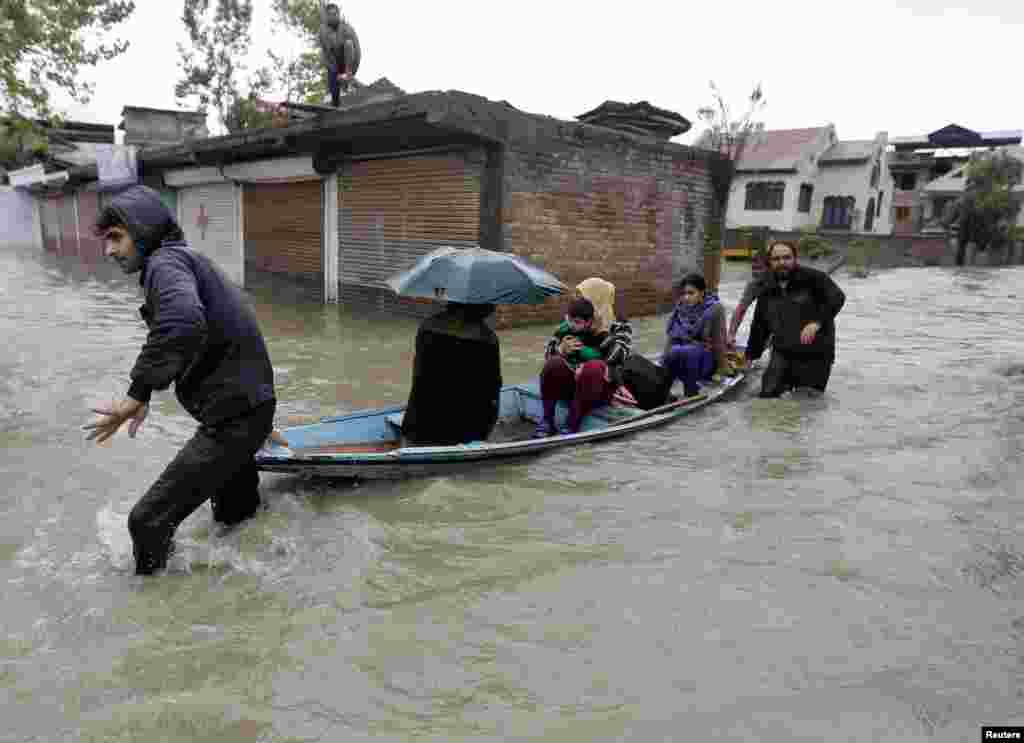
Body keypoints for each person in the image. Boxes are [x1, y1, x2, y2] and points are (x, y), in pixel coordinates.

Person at [83, 185, 276, 575]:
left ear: (144, 230)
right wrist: (257, 413)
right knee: (235, 521)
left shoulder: (164, 263)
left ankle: (150, 615)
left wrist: (137, 394)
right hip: (245, 410)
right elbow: (218, 332)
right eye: (106, 240)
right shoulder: (186, 260)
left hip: (235, 418)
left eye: (117, 238)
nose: (110, 251)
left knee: (147, 522)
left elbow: (184, 323)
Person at [745, 241, 846, 397]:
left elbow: (837, 298)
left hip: (815, 354)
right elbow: (760, 325)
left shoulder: (814, 278)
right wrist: (750, 356)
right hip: (782, 351)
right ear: (770, 262)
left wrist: (816, 322)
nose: (782, 263)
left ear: (795, 258)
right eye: (776, 259)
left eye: (787, 258)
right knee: (766, 397)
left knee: (805, 402)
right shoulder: (766, 286)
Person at [535, 278, 633, 437]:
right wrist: (561, 350)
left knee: (593, 368)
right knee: (554, 363)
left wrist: (598, 332)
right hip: (571, 385)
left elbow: (619, 355)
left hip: (600, 387)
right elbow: (548, 355)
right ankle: (547, 421)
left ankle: (572, 424)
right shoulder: (573, 322)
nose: (579, 301)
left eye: (584, 297)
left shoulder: (619, 325)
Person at [401, 302, 502, 446]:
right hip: (460, 433)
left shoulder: (427, 326)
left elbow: (418, 372)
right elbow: (492, 386)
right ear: (481, 307)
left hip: (417, 425)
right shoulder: (486, 338)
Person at [663, 273, 726, 399]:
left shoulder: (715, 309)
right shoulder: (680, 308)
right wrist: (663, 364)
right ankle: (663, 392)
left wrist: (722, 368)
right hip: (682, 355)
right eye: (683, 294)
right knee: (673, 353)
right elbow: (672, 338)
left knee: (682, 352)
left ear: (702, 292)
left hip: (706, 360)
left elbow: (719, 340)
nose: (686, 297)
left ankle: (691, 392)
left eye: (691, 293)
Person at [318, 2, 361, 107]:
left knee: (349, 44)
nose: (332, 17)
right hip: (334, 63)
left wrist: (350, 73)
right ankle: (335, 100)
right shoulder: (323, 31)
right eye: (330, 15)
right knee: (321, 56)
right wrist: (335, 72)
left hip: (348, 61)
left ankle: (348, 80)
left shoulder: (347, 28)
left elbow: (358, 52)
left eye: (334, 14)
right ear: (326, 16)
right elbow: (326, 53)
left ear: (338, 14)